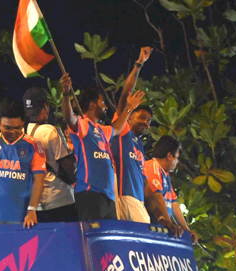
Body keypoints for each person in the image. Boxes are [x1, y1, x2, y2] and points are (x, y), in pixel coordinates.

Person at [60, 72, 139, 221]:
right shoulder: (83, 125)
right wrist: (65, 94)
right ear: (92, 105)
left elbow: (117, 128)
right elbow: (69, 117)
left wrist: (129, 108)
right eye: (102, 103)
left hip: (108, 196)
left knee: (108, 241)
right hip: (90, 194)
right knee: (91, 240)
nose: (105, 107)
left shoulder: (102, 130)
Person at [108, 48, 153, 223]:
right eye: (142, 117)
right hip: (123, 197)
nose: (146, 123)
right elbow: (124, 97)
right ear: (131, 116)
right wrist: (139, 64)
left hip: (137, 201)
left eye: (149, 121)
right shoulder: (123, 131)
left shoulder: (139, 145)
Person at [23, 86, 77, 221]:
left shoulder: (24, 133)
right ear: (46, 106)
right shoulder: (50, 131)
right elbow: (69, 166)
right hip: (60, 200)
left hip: (36, 204)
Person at [144, 135, 191, 238]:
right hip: (151, 225)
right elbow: (157, 196)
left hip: (161, 228)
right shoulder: (152, 166)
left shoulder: (166, 175)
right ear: (169, 156)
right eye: (177, 157)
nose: (177, 161)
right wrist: (169, 223)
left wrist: (186, 229)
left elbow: (174, 203)